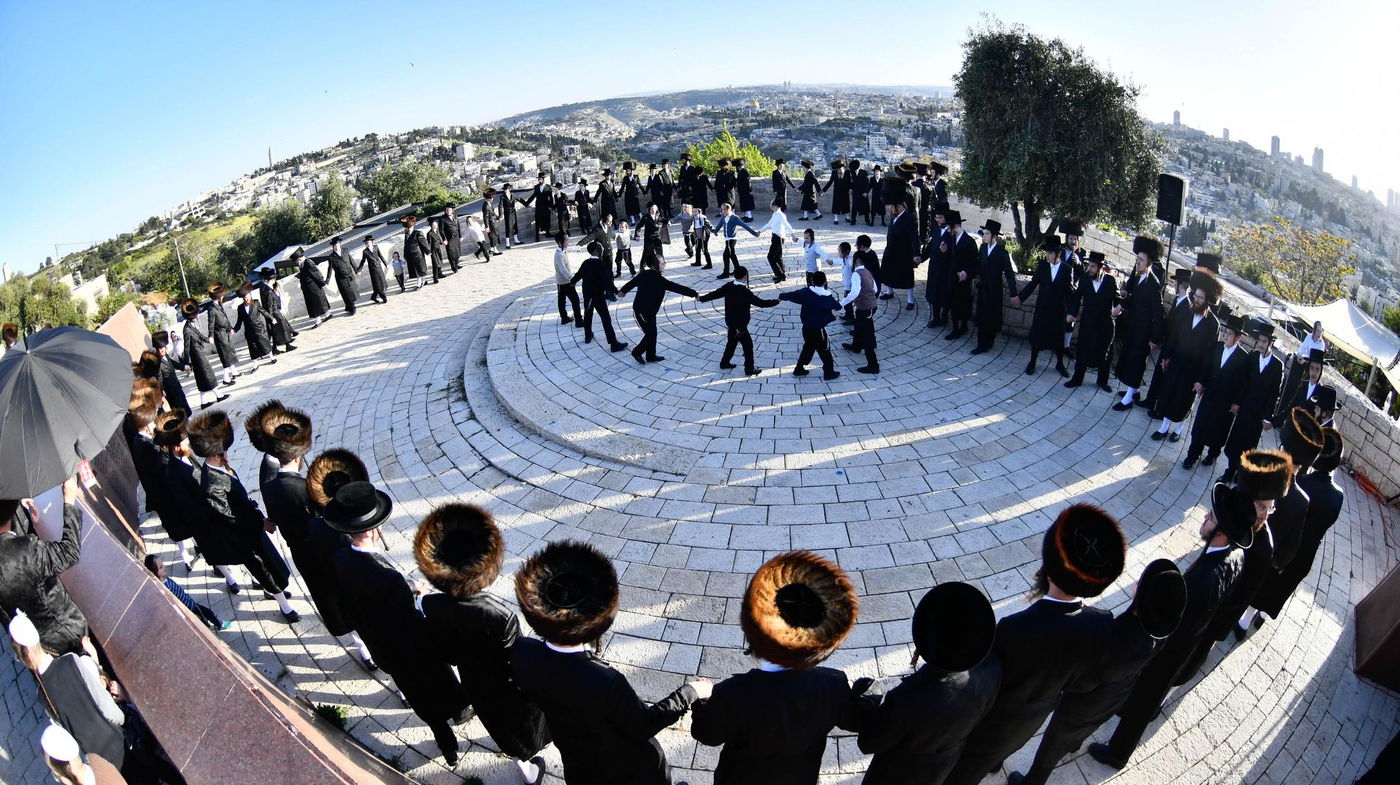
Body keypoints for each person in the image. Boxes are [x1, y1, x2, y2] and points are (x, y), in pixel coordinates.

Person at [1091, 472, 1271, 770]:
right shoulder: (1235, 554)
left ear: (1222, 533)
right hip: (1190, 636)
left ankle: (1118, 753)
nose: (1205, 517)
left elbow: (1176, 621)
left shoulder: (1203, 581)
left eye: (1211, 517)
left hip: (1173, 648)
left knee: (1146, 696)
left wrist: (1145, 597)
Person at [943, 504, 1126, 785]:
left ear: (1049, 570)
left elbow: (983, 684)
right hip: (1029, 722)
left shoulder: (1015, 628)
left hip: (991, 724)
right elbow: (1084, 683)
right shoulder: (1101, 623)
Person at [510, 540, 710, 785]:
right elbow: (643, 725)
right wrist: (690, 692)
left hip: (578, 764)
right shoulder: (606, 681)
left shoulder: (523, 652)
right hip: (628, 771)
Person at [326, 481, 472, 766]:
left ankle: (448, 748)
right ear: (372, 529)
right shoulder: (389, 578)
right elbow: (410, 617)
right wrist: (420, 595)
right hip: (412, 646)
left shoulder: (342, 558)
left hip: (382, 647)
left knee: (418, 695)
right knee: (439, 681)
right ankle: (458, 711)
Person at [691, 551, 865, 784]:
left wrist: (701, 701)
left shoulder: (732, 692)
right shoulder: (833, 685)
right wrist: (864, 694)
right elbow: (853, 720)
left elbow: (707, 734)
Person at [1010, 560, 1188, 785]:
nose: (1137, 582)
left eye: (1141, 582)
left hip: (1084, 704)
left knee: (1053, 744)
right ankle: (1073, 745)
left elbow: (1084, 682)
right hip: (1115, 697)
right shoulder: (1158, 633)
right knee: (1083, 729)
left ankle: (1034, 781)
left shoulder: (1113, 636)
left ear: (1141, 598)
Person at [415, 503, 551, 785]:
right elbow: (517, 659)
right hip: (504, 685)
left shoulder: (432, 604)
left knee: (495, 722)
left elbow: (443, 645)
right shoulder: (501, 616)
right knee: (516, 730)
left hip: (472, 679)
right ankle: (528, 770)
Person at [856, 582, 1000, 785]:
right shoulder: (992, 672)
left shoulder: (906, 699)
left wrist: (871, 700)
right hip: (941, 769)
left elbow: (868, 743)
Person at [185, 409, 299, 622]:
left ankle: (274, 589)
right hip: (244, 535)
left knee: (269, 566)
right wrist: (261, 522)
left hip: (251, 528)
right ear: (216, 453)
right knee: (265, 568)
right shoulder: (211, 485)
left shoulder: (221, 468)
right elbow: (231, 517)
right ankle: (284, 606)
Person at [1230, 409, 1323, 638]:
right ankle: (1242, 623)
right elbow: (1291, 545)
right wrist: (1277, 563)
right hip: (1263, 562)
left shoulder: (1261, 470)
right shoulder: (1302, 501)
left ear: (1283, 447)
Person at [1249, 427, 1344, 630]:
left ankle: (1245, 619)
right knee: (1284, 587)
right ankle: (1263, 615)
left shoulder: (1302, 483)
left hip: (1287, 541)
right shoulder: (1338, 496)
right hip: (1307, 552)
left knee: (1269, 581)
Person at [8, 612, 124, 769]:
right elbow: (106, 704)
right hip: (117, 742)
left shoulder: (42, 696)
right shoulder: (70, 660)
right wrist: (121, 722)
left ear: (26, 655)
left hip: (100, 764)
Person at [303, 449, 377, 669]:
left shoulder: (314, 525)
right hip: (354, 588)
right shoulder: (349, 531)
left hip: (337, 587)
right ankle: (369, 654)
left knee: (354, 626)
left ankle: (366, 655)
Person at [0, 476, 87, 655]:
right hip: (69, 633)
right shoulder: (26, 549)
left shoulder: (22, 548)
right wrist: (69, 500)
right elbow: (69, 553)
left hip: (40, 646)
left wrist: (34, 527)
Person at [1150, 270, 1223, 442]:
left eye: (1200, 298)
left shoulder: (1213, 324)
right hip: (1176, 363)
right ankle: (1164, 428)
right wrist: (1167, 357)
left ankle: (1178, 429)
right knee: (1169, 394)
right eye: (1195, 296)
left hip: (1193, 371)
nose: (1196, 300)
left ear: (1207, 300)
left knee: (1183, 401)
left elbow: (1209, 355)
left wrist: (1201, 380)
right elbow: (1174, 337)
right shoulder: (1186, 312)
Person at [1182, 313, 1251, 469]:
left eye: (1229, 334)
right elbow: (1206, 367)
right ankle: (1192, 455)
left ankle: (1213, 454)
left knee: (1218, 430)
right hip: (1210, 395)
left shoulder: (1243, 358)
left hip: (1226, 401)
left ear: (1238, 338)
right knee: (1199, 426)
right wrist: (1200, 381)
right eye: (1225, 332)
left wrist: (1237, 402)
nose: (1225, 336)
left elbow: (1243, 384)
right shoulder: (1217, 347)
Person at [1220, 321, 1284, 483]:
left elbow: (1275, 394)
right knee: (1236, 441)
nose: (1260, 344)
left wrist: (1268, 417)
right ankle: (1230, 470)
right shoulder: (1252, 357)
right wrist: (1237, 402)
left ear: (1270, 343)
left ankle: (1240, 473)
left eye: (1264, 341)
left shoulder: (1277, 366)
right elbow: (1243, 382)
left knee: (1249, 445)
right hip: (1245, 408)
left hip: (1259, 414)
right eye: (1259, 340)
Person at [1110, 238, 1166, 411]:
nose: (1137, 262)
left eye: (1141, 260)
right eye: (1137, 259)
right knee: (1130, 360)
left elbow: (1159, 314)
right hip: (1134, 327)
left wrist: (1155, 339)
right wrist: (1121, 306)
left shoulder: (1153, 285)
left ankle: (1128, 399)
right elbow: (1134, 299)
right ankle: (1133, 391)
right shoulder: (1139, 277)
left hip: (1143, 332)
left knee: (1137, 363)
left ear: (1149, 262)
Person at [1011, 235, 1075, 376]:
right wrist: (1020, 298)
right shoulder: (1043, 266)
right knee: (1037, 337)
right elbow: (1033, 283)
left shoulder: (1067, 269)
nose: (1047, 255)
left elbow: (1069, 293)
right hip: (1042, 308)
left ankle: (1059, 364)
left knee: (1058, 339)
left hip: (1058, 310)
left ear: (1058, 254)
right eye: (1046, 252)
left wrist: (1072, 312)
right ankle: (1032, 362)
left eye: (1050, 253)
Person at [617, 253, 698, 365]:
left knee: (652, 332)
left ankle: (651, 356)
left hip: (649, 312)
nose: (664, 264)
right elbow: (677, 288)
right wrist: (694, 294)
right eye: (662, 263)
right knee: (651, 334)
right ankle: (637, 352)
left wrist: (623, 291)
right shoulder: (658, 280)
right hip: (642, 312)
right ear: (655, 265)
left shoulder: (645, 275)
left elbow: (631, 284)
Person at [698, 265, 778, 376]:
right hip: (741, 325)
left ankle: (724, 362)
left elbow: (715, 294)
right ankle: (749, 369)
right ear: (745, 277)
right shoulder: (745, 292)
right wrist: (776, 301)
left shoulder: (728, 286)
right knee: (748, 346)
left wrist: (701, 298)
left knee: (731, 343)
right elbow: (761, 303)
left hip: (730, 322)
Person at [151, 410, 201, 570]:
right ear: (177, 446)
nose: (189, 442)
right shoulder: (168, 468)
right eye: (186, 440)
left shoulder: (185, 456)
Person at [1144, 269, 1197, 417]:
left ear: (1181, 285)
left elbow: (1179, 332)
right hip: (1167, 343)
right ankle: (1150, 401)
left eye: (1176, 282)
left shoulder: (1187, 306)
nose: (1174, 285)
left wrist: (1169, 354)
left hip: (1173, 348)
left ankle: (1159, 409)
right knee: (1157, 374)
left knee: (1165, 379)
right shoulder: (1177, 300)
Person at [1065, 251, 1117, 391]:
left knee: (1104, 353)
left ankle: (1102, 382)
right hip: (1088, 322)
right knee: (1082, 351)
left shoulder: (1110, 281)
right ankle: (1077, 379)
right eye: (1088, 265)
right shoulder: (1084, 279)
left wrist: (1119, 307)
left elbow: (1117, 298)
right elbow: (1076, 298)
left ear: (1100, 268)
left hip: (1105, 324)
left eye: (1092, 266)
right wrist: (1072, 313)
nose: (1089, 269)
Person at [779, 270, 841, 381]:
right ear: (825, 281)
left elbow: (793, 295)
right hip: (818, 329)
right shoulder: (826, 297)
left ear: (812, 281)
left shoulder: (806, 292)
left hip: (806, 327)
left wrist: (782, 296)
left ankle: (799, 369)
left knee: (808, 347)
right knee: (825, 350)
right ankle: (829, 372)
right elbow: (837, 306)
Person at [570, 241, 629, 352]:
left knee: (588, 315)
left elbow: (578, 275)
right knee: (605, 318)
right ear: (597, 251)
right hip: (598, 296)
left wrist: (572, 282)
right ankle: (613, 343)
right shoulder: (601, 264)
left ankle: (588, 336)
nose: (602, 250)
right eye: (601, 248)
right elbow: (607, 282)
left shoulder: (585, 263)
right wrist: (616, 292)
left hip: (588, 295)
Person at [970, 219, 1017, 355]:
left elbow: (1009, 274)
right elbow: (978, 266)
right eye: (984, 233)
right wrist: (967, 273)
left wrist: (1013, 293)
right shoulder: (983, 248)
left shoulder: (1002, 253)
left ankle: (989, 342)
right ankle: (981, 344)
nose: (984, 236)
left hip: (994, 290)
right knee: (981, 316)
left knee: (991, 317)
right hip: (983, 288)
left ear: (994, 236)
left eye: (987, 234)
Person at [144, 554, 227, 631]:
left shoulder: (164, 578)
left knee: (205, 615)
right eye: (161, 567)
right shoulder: (165, 588)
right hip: (190, 607)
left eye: (163, 564)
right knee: (207, 613)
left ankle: (211, 624)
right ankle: (219, 625)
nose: (164, 567)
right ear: (153, 572)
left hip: (189, 602)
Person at [879, 177, 921, 310]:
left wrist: (916, 254)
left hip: (904, 252)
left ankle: (910, 300)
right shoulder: (894, 217)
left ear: (898, 206)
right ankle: (889, 292)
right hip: (891, 250)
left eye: (892, 207)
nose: (890, 209)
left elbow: (914, 238)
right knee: (889, 272)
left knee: (907, 277)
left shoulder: (909, 219)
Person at [839, 248, 880, 374]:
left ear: (857, 260)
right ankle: (856, 346)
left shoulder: (856, 274)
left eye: (853, 259)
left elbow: (854, 293)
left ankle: (873, 365)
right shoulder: (867, 272)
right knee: (859, 325)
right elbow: (875, 288)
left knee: (867, 334)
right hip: (871, 306)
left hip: (864, 308)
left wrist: (841, 304)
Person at [944, 211, 978, 340]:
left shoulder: (969, 241)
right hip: (952, 277)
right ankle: (955, 328)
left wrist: (966, 273)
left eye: (948, 227)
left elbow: (975, 263)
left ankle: (963, 326)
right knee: (953, 303)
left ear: (955, 226)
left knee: (962, 303)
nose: (947, 230)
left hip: (963, 280)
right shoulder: (953, 238)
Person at [232, 283, 276, 370]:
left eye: (247, 296)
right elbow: (239, 321)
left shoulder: (256, 303)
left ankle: (272, 357)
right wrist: (235, 329)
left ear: (250, 295)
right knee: (252, 348)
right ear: (242, 298)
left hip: (259, 328)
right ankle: (255, 364)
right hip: (249, 331)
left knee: (264, 343)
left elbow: (264, 312)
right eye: (245, 297)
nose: (246, 298)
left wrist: (272, 318)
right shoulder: (240, 308)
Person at [204, 282, 242, 383]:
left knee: (229, 353)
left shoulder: (219, 305)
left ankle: (234, 372)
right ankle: (226, 378)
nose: (223, 296)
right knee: (225, 355)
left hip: (225, 333)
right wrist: (211, 336)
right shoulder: (212, 309)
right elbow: (211, 323)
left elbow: (225, 318)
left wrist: (230, 328)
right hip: (220, 335)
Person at [149, 331, 191, 415]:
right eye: (159, 349)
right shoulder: (157, 361)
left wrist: (183, 367)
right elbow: (159, 376)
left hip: (175, 383)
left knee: (182, 401)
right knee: (176, 406)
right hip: (169, 387)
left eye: (163, 348)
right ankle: (183, 420)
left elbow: (172, 363)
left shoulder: (166, 356)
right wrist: (161, 389)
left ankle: (187, 418)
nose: (161, 350)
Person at [923, 206, 952, 327]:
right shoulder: (935, 228)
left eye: (940, 218)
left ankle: (944, 314)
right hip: (934, 267)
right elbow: (930, 246)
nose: (938, 220)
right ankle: (935, 317)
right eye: (936, 218)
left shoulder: (952, 232)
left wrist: (946, 251)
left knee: (944, 292)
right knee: (934, 292)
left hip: (946, 269)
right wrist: (921, 258)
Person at [711, 203, 758, 279]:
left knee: (726, 255)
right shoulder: (723, 217)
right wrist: (715, 231)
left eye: (725, 209)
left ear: (729, 209)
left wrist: (754, 233)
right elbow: (719, 225)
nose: (723, 211)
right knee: (732, 255)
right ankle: (738, 270)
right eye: (722, 209)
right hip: (727, 239)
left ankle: (726, 273)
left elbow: (745, 225)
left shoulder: (735, 218)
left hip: (732, 239)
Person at [756, 200, 798, 282]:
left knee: (771, 257)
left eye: (772, 205)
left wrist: (793, 235)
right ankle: (782, 274)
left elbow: (787, 225)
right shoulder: (775, 214)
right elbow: (769, 224)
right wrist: (760, 231)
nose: (770, 206)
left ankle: (779, 274)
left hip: (778, 238)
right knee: (778, 257)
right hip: (775, 237)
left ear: (776, 206)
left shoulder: (780, 215)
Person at [256, 268, 297, 352]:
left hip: (273, 312)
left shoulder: (265, 287)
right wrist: (271, 317)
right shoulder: (268, 290)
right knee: (282, 329)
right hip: (274, 312)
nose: (274, 280)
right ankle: (287, 345)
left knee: (275, 331)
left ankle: (276, 347)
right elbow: (269, 305)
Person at [548, 232, 583, 327]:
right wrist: (573, 279)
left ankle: (564, 318)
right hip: (565, 282)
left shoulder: (562, 250)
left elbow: (569, 249)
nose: (568, 241)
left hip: (562, 281)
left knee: (562, 299)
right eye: (566, 240)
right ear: (560, 242)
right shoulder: (559, 255)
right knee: (575, 300)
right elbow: (563, 269)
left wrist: (576, 248)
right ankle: (578, 320)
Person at [294, 247, 332, 326]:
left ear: (299, 259)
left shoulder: (308, 262)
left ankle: (318, 320)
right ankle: (328, 314)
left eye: (296, 261)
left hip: (313, 287)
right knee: (318, 303)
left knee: (316, 304)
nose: (297, 263)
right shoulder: (303, 264)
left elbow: (316, 273)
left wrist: (323, 283)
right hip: (309, 288)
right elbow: (307, 273)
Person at [326, 237, 359, 315]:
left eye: (337, 244)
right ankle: (352, 308)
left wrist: (356, 270)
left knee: (351, 292)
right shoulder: (331, 257)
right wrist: (327, 280)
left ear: (340, 244)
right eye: (335, 245)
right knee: (346, 293)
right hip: (340, 278)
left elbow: (351, 261)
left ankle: (349, 306)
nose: (336, 246)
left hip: (349, 275)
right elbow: (330, 269)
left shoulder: (345, 251)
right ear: (333, 246)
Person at [519, 173, 553, 242]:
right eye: (538, 179)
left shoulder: (549, 187)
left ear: (543, 179)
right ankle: (537, 236)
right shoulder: (536, 187)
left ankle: (548, 233)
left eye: (540, 179)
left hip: (546, 206)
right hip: (539, 206)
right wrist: (527, 203)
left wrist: (551, 206)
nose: (539, 181)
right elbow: (533, 196)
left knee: (547, 219)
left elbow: (551, 197)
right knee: (537, 221)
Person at [359, 235, 390, 304]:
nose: (368, 243)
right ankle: (384, 297)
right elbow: (362, 261)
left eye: (369, 242)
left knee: (380, 282)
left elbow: (380, 256)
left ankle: (373, 297)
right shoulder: (365, 251)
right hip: (373, 270)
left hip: (379, 267)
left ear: (372, 242)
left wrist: (386, 264)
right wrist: (359, 270)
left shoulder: (376, 247)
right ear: (365, 243)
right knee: (377, 283)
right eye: (367, 242)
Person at [820, 159, 851, 225]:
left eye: (839, 168)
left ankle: (847, 217)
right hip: (837, 192)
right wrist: (823, 190)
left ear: (842, 167)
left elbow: (850, 182)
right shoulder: (834, 172)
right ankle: (836, 219)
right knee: (836, 205)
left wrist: (850, 189)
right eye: (837, 169)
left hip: (845, 191)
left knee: (846, 205)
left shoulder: (847, 172)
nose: (838, 170)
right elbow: (830, 182)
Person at [439, 204, 462, 272]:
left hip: (456, 237)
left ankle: (456, 264)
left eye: (449, 210)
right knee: (451, 253)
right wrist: (444, 239)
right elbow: (441, 230)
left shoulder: (455, 217)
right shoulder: (442, 219)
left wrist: (460, 236)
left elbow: (458, 227)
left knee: (457, 252)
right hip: (449, 239)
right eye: (447, 210)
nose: (448, 211)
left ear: (452, 210)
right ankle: (453, 267)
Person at [621, 161, 644, 225]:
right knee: (630, 208)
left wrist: (644, 191)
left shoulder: (636, 177)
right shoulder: (625, 178)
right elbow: (622, 187)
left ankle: (641, 217)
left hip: (635, 195)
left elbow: (640, 185)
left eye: (628, 170)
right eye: (626, 171)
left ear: (631, 170)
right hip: (628, 195)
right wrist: (619, 195)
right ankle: (633, 221)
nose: (627, 172)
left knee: (637, 206)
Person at [425, 217, 447, 282]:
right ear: (431, 226)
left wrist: (442, 242)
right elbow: (429, 243)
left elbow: (439, 239)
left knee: (439, 261)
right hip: (433, 251)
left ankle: (440, 273)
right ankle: (435, 278)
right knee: (435, 264)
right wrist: (429, 251)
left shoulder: (437, 231)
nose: (435, 226)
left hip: (438, 249)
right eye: (433, 225)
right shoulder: (429, 233)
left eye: (435, 224)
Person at [481, 188, 503, 253]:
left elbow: (492, 213)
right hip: (491, 223)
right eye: (492, 198)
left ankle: (491, 249)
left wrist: (498, 217)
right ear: (489, 198)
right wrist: (487, 226)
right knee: (493, 236)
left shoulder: (489, 204)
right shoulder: (486, 206)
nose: (493, 199)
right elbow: (485, 216)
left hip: (493, 222)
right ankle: (495, 250)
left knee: (495, 235)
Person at [500, 183, 522, 247]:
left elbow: (520, 199)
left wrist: (526, 204)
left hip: (513, 213)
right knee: (508, 227)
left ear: (509, 189)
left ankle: (516, 240)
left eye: (506, 189)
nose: (505, 190)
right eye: (504, 189)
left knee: (515, 226)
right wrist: (500, 215)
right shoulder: (502, 197)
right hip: (507, 214)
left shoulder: (513, 195)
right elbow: (500, 206)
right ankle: (507, 243)